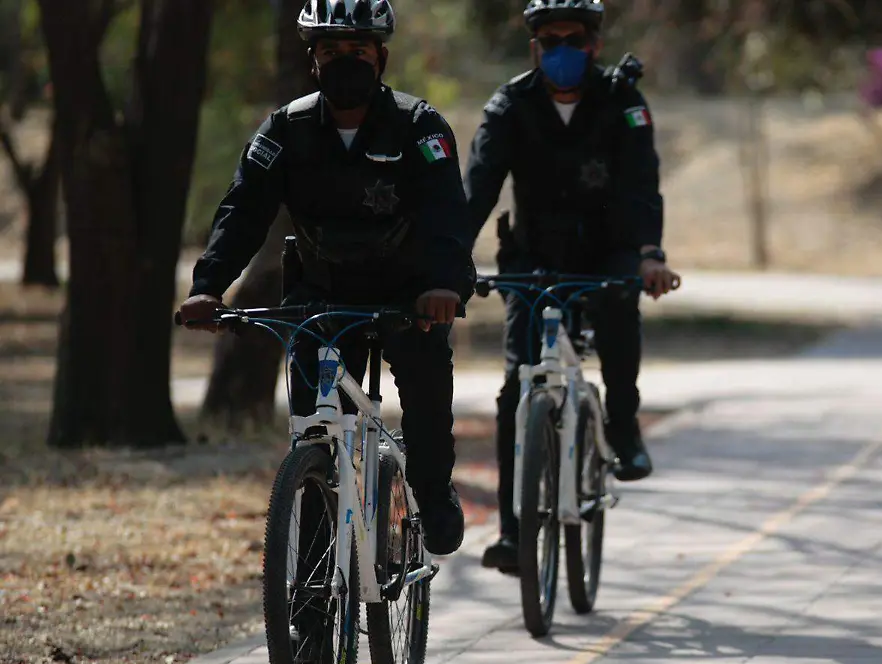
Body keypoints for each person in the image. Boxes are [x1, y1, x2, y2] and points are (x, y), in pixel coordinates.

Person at [177, 0, 476, 557]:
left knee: (427, 386)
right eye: (331, 51)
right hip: (320, 296)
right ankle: (312, 605)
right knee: (313, 434)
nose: (345, 61)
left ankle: (433, 492)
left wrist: (444, 285)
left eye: (357, 51)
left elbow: (446, 215)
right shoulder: (285, 130)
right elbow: (243, 210)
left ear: (381, 58)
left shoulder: (420, 127)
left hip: (408, 294)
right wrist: (208, 287)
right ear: (312, 60)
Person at [463, 0, 681, 574]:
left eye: (574, 38)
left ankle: (622, 423)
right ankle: (514, 534)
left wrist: (649, 255)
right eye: (549, 39)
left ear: (595, 45)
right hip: (532, 257)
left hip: (608, 249)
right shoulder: (509, 105)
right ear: (534, 47)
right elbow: (479, 186)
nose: (562, 49)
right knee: (516, 389)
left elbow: (642, 185)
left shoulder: (623, 101)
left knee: (618, 304)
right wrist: (447, 258)